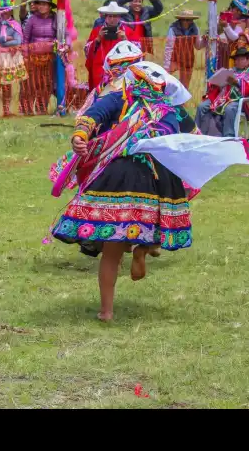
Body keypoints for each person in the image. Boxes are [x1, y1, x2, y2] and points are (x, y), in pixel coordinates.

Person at [51, 62, 192, 321]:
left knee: (111, 248)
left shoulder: (119, 98)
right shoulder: (171, 110)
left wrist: (79, 137)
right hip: (156, 177)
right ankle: (143, 249)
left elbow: (91, 116)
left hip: (117, 174)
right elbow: (189, 136)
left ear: (132, 81)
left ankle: (106, 311)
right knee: (155, 223)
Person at [196, 45, 249, 137]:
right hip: (221, 97)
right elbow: (218, 85)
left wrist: (237, 82)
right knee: (202, 106)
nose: (238, 61)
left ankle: (228, 135)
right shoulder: (230, 71)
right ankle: (197, 132)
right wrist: (216, 81)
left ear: (247, 60)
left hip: (239, 100)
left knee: (229, 108)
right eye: (236, 59)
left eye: (241, 59)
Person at [0, 0, 26, 117]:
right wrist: (6, 38)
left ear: (11, 10)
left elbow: (18, 41)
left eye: (7, 9)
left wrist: (1, 43)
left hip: (8, 57)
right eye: (2, 9)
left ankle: (6, 109)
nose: (4, 11)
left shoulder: (15, 24)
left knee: (7, 84)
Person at [21, 0, 60, 116]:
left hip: (49, 56)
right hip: (33, 56)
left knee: (47, 82)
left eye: (44, 4)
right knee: (33, 83)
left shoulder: (56, 19)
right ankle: (27, 108)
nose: (42, 7)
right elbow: (25, 38)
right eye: (40, 4)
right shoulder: (32, 19)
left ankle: (42, 107)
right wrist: (25, 56)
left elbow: (63, 35)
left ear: (49, 7)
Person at [85, 2, 136, 91]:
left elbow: (137, 53)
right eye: (110, 16)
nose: (112, 19)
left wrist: (125, 39)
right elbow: (87, 50)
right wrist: (97, 39)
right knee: (99, 94)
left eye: (115, 16)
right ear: (106, 17)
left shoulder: (128, 31)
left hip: (121, 71)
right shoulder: (97, 30)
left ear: (119, 17)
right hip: (100, 70)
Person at [164, 9, 207, 89]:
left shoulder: (195, 29)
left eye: (189, 20)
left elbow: (198, 46)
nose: (187, 22)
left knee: (184, 86)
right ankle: (166, 100)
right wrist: (166, 65)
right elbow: (169, 47)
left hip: (188, 60)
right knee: (167, 82)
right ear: (180, 20)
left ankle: (182, 102)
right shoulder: (173, 29)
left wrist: (205, 41)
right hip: (174, 59)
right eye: (184, 19)